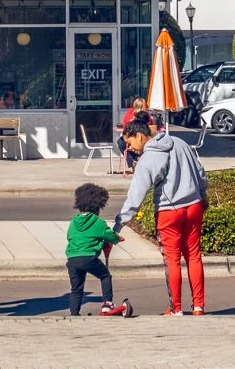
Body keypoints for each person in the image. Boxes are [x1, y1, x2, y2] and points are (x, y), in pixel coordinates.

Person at [114, 113, 208, 315]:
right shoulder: (179, 143)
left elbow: (135, 197)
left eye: (130, 143)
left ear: (139, 136)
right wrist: (203, 194)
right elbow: (200, 172)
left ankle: (176, 309)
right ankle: (199, 306)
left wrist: (119, 224)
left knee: (172, 260)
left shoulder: (148, 159)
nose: (130, 149)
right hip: (194, 206)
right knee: (193, 255)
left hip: (168, 211)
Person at [65, 181, 132, 317]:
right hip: (88, 257)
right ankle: (107, 303)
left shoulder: (73, 221)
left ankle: (74, 313)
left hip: (72, 259)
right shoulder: (98, 222)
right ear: (97, 207)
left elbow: (69, 237)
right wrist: (117, 239)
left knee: (76, 288)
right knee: (105, 275)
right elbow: (110, 236)